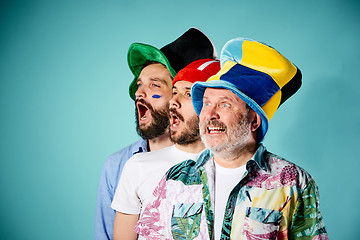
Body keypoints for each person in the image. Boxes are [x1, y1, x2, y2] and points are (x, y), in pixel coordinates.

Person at [135, 37, 328, 239]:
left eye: (224, 104)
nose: (209, 115)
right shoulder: (175, 178)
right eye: (206, 103)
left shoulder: (292, 182)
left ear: (254, 120)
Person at [94, 28, 217, 240]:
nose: (139, 93)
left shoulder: (218, 161)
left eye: (155, 86)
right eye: (140, 85)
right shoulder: (119, 165)